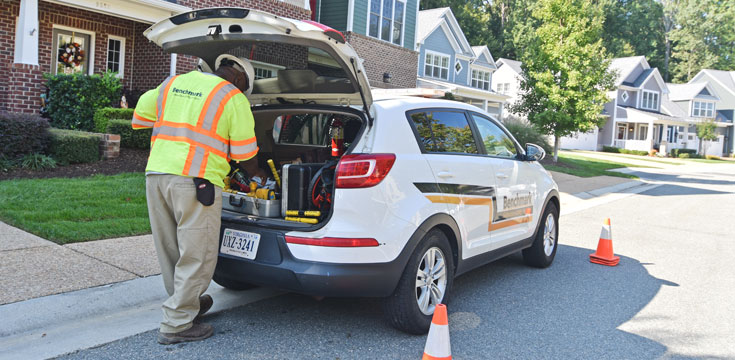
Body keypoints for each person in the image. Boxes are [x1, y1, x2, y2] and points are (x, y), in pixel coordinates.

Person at [132, 54, 267, 345]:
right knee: (198, 252)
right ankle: (177, 325)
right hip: (197, 180)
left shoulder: (173, 82)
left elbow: (141, 116)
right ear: (240, 79)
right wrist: (260, 174)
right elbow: (245, 153)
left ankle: (185, 304)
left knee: (171, 248)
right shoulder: (231, 96)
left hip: (157, 175)